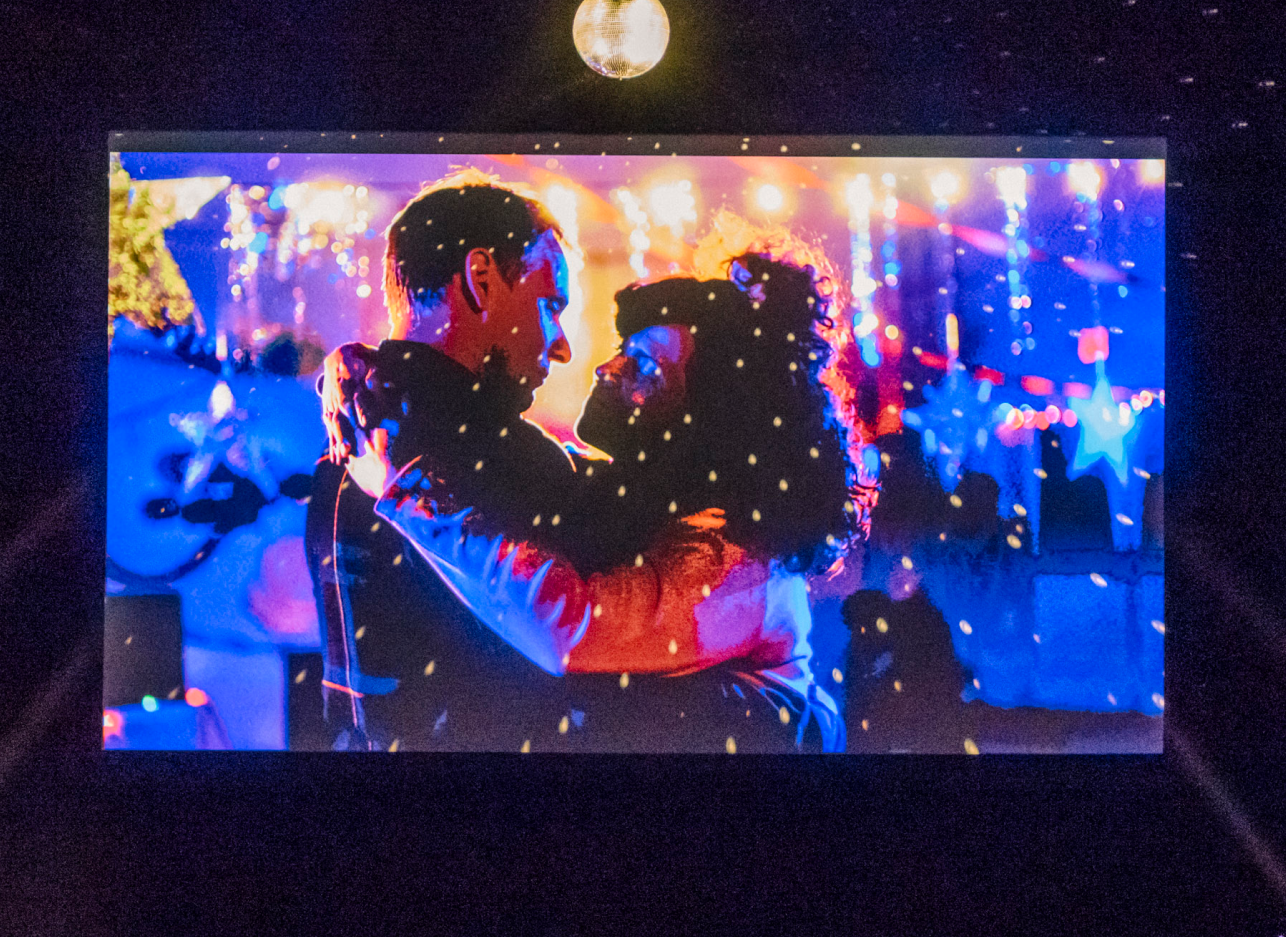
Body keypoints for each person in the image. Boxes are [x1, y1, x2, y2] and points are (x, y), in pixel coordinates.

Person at [336, 237, 870, 750]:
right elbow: (533, 470)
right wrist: (367, 372)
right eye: (622, 350)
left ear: (711, 417)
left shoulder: (737, 557)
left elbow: (572, 630)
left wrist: (410, 490)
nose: (606, 368)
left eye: (646, 366)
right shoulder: (647, 496)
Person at [307, 172, 582, 749]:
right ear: (481, 277)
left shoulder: (348, 439)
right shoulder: (515, 461)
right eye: (549, 304)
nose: (562, 344)